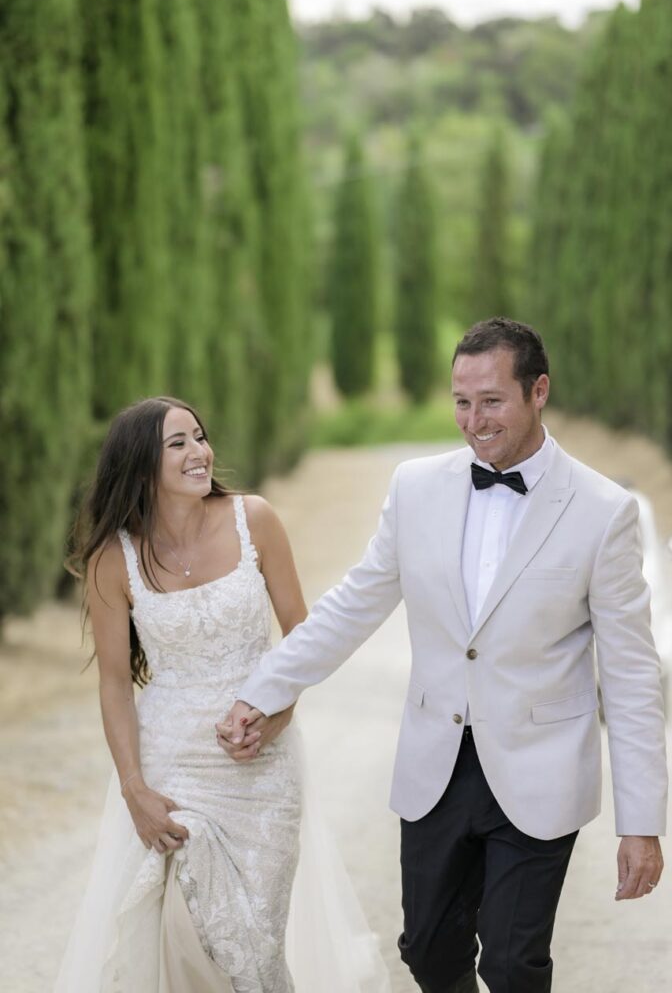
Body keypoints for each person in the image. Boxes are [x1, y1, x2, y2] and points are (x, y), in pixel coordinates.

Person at [223, 318, 668, 993]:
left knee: (514, 966)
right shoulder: (415, 487)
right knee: (429, 951)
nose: (473, 419)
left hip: (541, 768)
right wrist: (266, 687)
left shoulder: (603, 511)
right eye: (462, 401)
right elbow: (352, 606)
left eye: (492, 400)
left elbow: (633, 676)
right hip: (437, 765)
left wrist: (641, 823)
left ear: (538, 390)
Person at [54, 396, 390, 993]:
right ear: (139, 466)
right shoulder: (114, 559)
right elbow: (113, 684)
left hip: (261, 773)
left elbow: (302, 641)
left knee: (250, 952)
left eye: (200, 437)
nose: (199, 453)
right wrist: (134, 787)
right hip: (170, 769)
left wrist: (277, 715)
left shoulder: (253, 519)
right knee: (182, 933)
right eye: (177, 443)